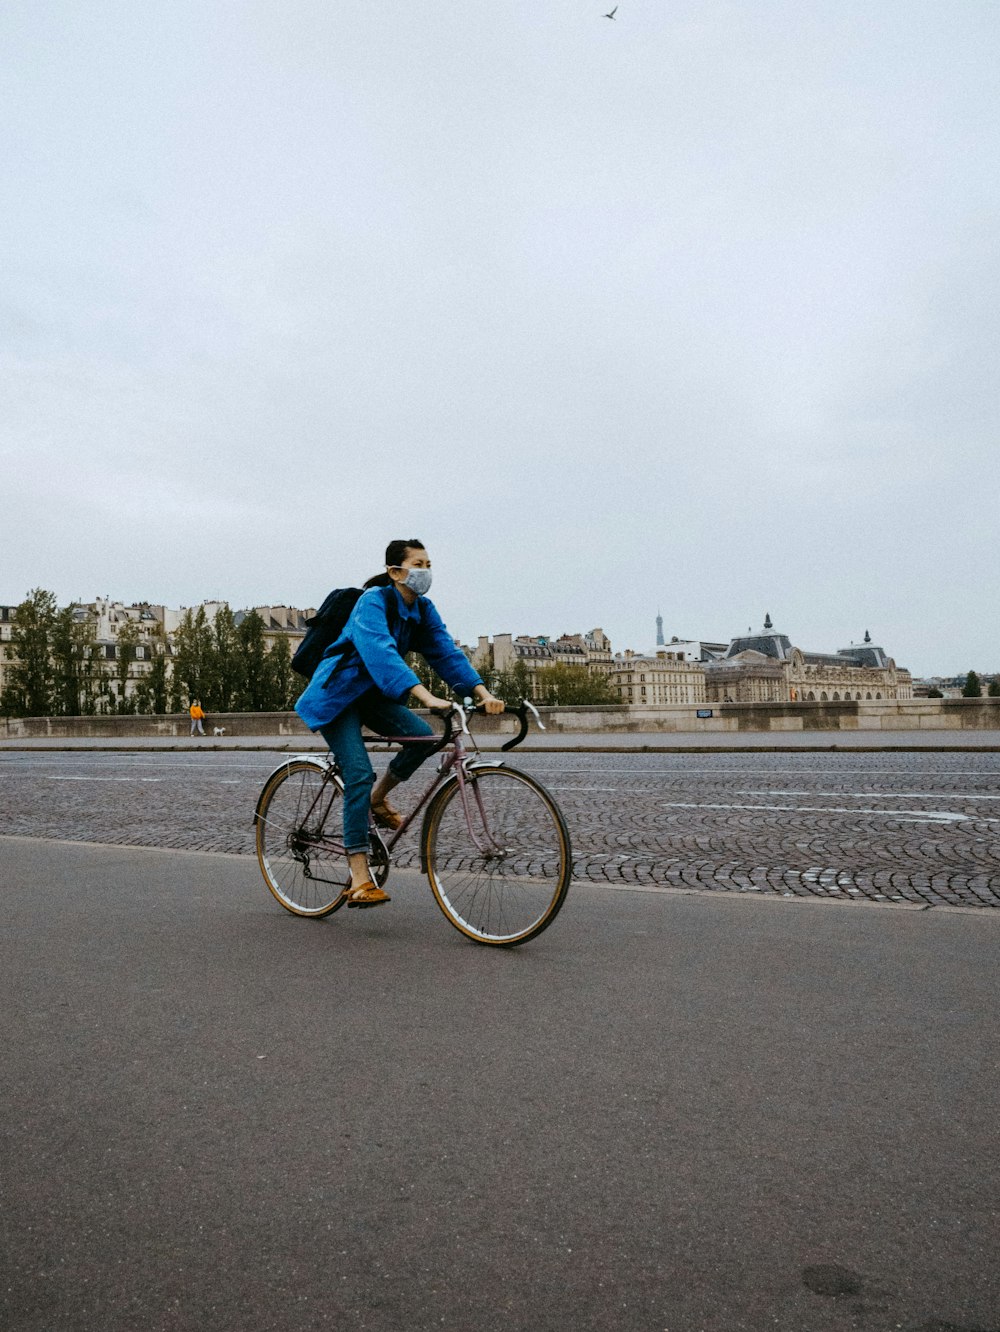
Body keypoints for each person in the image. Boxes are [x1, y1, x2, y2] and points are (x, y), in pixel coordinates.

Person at [295, 539, 505, 908]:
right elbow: (380, 651)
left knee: (423, 737)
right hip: (337, 695)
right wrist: (425, 696)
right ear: (395, 572)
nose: (425, 571)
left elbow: (445, 651)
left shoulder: (422, 609)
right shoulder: (372, 602)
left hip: (373, 697)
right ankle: (359, 876)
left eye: (429, 563)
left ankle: (376, 801)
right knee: (358, 771)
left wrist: (483, 692)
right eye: (418, 564)